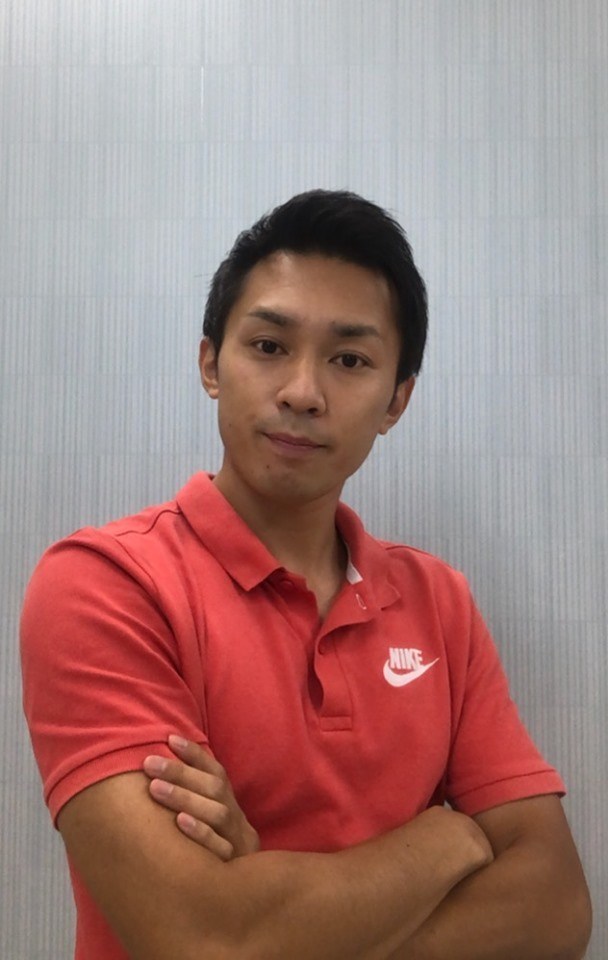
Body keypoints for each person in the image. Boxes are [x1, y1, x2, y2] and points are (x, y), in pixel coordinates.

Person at [21, 189, 591, 960]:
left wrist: (273, 906)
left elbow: (556, 909)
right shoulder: (107, 585)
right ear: (210, 363)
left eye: (349, 360)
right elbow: (202, 938)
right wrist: (443, 842)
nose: (302, 392)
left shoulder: (440, 603)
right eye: (268, 346)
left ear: (397, 400)